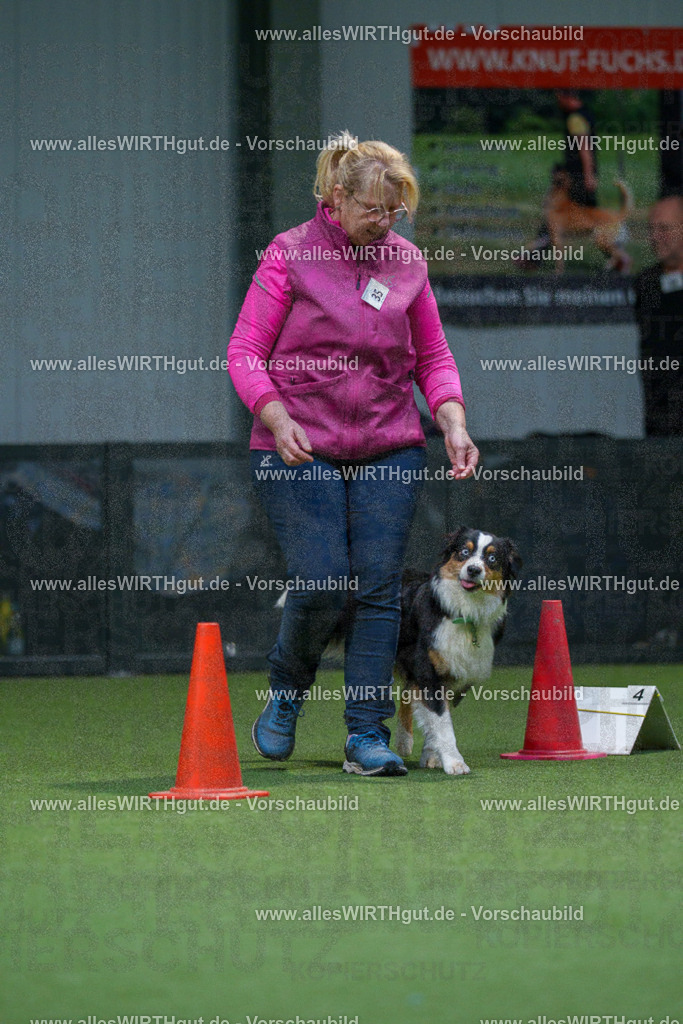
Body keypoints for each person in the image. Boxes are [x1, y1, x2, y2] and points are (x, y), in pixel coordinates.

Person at [227, 132, 478, 777]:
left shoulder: (407, 263)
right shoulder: (289, 254)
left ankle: (367, 734)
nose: (386, 221)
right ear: (336, 198)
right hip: (297, 444)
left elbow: (433, 357)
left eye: (396, 210)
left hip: (389, 445)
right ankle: (287, 691)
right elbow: (245, 353)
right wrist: (275, 415)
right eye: (374, 209)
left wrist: (452, 421)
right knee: (320, 581)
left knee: (376, 587)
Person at [516, 90, 599, 267]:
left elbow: (584, 147)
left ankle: (530, 258)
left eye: (558, 97)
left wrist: (588, 175)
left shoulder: (575, 118)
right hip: (581, 176)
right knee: (591, 220)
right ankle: (532, 257)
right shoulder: (586, 114)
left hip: (576, 177)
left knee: (557, 219)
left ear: (565, 96)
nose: (557, 101)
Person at [633, 194, 683, 435]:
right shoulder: (646, 284)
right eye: (651, 230)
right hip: (660, 425)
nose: (654, 237)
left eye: (663, 229)